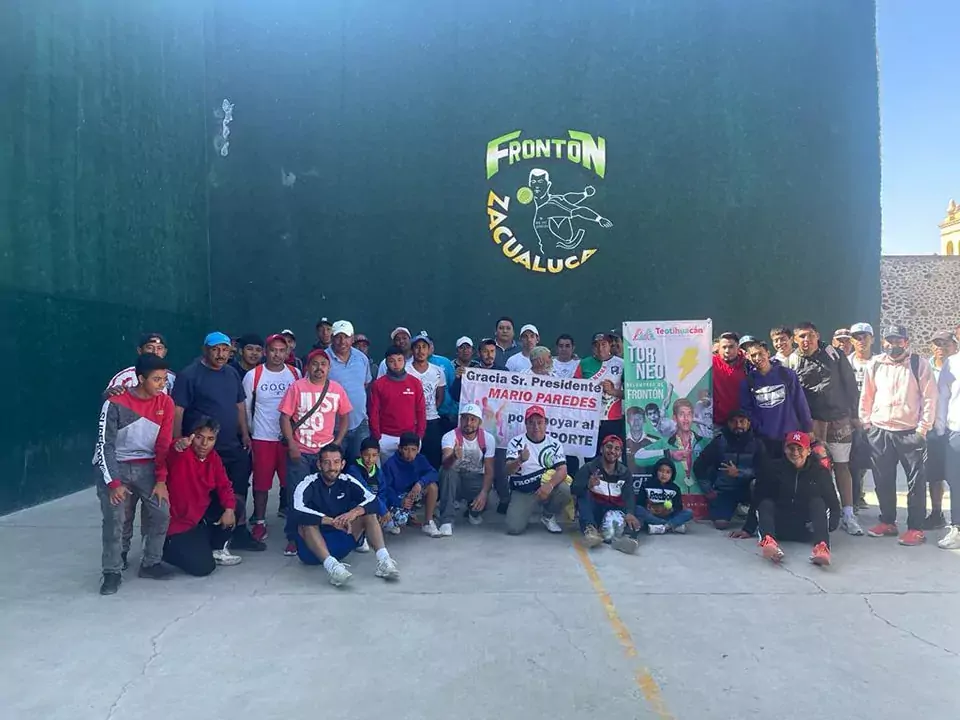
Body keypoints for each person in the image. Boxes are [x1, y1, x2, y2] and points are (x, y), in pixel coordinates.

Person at [172, 332, 262, 550]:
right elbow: (178, 410)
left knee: (238, 488)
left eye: (225, 350)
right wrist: (177, 439)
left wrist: (244, 434)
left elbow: (239, 405)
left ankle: (238, 532)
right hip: (204, 449)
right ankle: (208, 536)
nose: (221, 354)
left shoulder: (231, 374)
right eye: (215, 349)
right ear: (205, 350)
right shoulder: (189, 375)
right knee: (207, 493)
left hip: (233, 445)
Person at [94, 354, 174, 594]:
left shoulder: (166, 403)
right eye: (157, 379)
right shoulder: (115, 402)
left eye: (164, 379)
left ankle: (151, 562)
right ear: (141, 379)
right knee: (116, 520)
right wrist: (114, 483)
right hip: (115, 466)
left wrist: (161, 480)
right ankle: (112, 571)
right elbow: (104, 445)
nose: (162, 385)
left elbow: (163, 444)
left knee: (161, 512)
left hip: (147, 467)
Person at [860, 325, 937, 546]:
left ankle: (915, 528)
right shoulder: (875, 364)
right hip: (880, 430)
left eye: (898, 341)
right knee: (882, 479)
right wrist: (867, 424)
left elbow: (930, 398)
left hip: (909, 432)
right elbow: (866, 395)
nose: (893, 345)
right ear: (883, 342)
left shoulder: (918, 364)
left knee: (915, 482)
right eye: (889, 341)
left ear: (906, 342)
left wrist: (923, 429)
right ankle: (887, 522)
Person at [786, 321, 862, 536]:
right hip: (811, 425)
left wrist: (854, 415)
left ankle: (848, 514)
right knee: (816, 468)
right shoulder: (792, 360)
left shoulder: (835, 355)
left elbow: (850, 385)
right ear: (795, 339)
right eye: (801, 336)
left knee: (842, 466)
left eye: (809, 335)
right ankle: (820, 512)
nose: (806, 340)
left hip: (839, 420)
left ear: (817, 335)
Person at [289, 443, 400, 586]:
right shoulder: (308, 483)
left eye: (336, 462)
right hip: (312, 550)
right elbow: (296, 510)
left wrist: (353, 513)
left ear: (343, 464)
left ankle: (384, 561)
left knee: (368, 513)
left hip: (342, 539)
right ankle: (333, 568)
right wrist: (329, 521)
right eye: (327, 462)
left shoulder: (347, 480)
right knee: (306, 523)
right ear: (319, 464)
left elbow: (373, 500)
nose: (332, 467)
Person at [279, 349, 353, 555]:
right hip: (301, 451)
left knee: (322, 494)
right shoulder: (297, 387)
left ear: (329, 368)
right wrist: (291, 445)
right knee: (297, 495)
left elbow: (346, 416)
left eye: (323, 364)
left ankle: (321, 531)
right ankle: (293, 536)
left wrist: (337, 443)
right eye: (315, 364)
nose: (319, 368)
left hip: (325, 453)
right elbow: (284, 417)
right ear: (308, 367)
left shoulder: (337, 389)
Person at [739, 431, 841, 567]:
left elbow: (832, 501)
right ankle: (769, 543)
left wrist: (831, 525)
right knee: (766, 503)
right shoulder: (772, 468)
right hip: (779, 526)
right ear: (785, 449)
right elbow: (758, 499)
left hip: (806, 528)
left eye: (800, 449)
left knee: (818, 502)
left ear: (809, 451)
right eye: (791, 448)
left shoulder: (820, 472)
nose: (795, 452)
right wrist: (748, 528)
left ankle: (821, 548)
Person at [163, 418, 243, 576]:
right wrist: (179, 445)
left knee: (234, 506)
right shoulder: (182, 453)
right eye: (199, 437)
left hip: (199, 517)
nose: (204, 444)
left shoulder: (213, 457)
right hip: (178, 523)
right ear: (191, 436)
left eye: (210, 439)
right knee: (204, 568)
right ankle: (162, 548)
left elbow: (224, 485)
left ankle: (216, 548)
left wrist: (229, 510)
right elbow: (173, 450)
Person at [242, 334, 301, 542]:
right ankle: (259, 522)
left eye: (281, 350)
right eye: (273, 350)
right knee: (261, 484)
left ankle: (295, 525)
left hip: (288, 440)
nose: (277, 354)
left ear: (287, 352)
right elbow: (246, 408)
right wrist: (250, 432)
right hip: (262, 439)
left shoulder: (295, 373)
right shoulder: (254, 375)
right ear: (266, 352)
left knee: (292, 483)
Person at [504, 405, 571, 535]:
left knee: (564, 490)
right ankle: (525, 511)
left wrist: (549, 485)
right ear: (525, 424)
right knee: (513, 528)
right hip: (523, 490)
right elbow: (507, 471)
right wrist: (519, 460)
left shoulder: (555, 444)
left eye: (539, 422)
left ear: (546, 423)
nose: (536, 427)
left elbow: (562, 470)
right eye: (531, 423)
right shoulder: (516, 442)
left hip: (544, 487)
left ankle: (548, 516)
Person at [693, 410, 766, 529]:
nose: (738, 425)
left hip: (747, 489)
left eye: (742, 421)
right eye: (734, 422)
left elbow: (763, 471)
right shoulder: (719, 442)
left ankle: (748, 509)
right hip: (725, 490)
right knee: (721, 524)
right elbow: (699, 465)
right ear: (728, 424)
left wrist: (739, 473)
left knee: (757, 485)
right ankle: (732, 509)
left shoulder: (757, 443)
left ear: (748, 423)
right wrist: (708, 490)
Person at [740, 341, 813, 456]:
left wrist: (807, 428)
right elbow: (747, 410)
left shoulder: (786, 374)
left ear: (768, 353)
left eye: (760, 353)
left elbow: (800, 402)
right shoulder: (748, 382)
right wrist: (759, 427)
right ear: (748, 357)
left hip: (790, 436)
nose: (757, 358)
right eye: (753, 355)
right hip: (763, 439)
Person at [571, 435, 640, 552]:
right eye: (609, 447)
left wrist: (629, 513)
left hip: (613, 511)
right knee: (584, 495)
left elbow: (629, 496)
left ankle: (625, 539)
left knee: (637, 511)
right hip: (594, 512)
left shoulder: (625, 472)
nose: (612, 451)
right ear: (601, 449)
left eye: (617, 449)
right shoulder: (589, 467)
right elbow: (574, 489)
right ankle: (591, 531)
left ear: (620, 453)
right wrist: (588, 484)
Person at [438, 403, 497, 534]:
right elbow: (445, 464)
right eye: (465, 418)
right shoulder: (449, 436)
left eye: (472, 419)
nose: (468, 423)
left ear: (479, 422)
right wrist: (453, 456)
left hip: (475, 479)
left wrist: (484, 494)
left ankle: (473, 512)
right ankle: (446, 520)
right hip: (456, 479)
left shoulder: (488, 439)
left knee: (486, 496)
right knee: (447, 472)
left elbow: (489, 470)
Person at [368, 346, 426, 462]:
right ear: (386, 363)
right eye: (392, 361)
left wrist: (419, 436)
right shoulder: (378, 384)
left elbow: (421, 411)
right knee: (386, 474)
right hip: (385, 438)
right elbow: (373, 412)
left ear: (404, 361)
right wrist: (377, 437)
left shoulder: (415, 383)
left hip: (410, 438)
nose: (396, 364)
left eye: (399, 360)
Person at [326, 320, 372, 463]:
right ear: (332, 338)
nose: (342, 341)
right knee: (332, 470)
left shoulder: (362, 358)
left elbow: (364, 384)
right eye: (338, 336)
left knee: (360, 468)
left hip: (360, 424)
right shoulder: (322, 359)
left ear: (352, 338)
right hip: (332, 427)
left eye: (346, 337)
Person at [380, 432, 441, 537]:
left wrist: (420, 483)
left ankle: (428, 522)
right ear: (399, 448)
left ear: (418, 450)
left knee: (432, 487)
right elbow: (386, 489)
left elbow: (433, 473)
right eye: (406, 449)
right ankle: (394, 522)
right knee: (400, 521)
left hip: (413, 494)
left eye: (413, 450)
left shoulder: (420, 459)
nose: (410, 454)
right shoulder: (390, 464)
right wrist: (400, 501)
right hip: (397, 499)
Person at [925, 330, 957, 529]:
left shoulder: (956, 367)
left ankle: (957, 518)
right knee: (934, 474)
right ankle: (937, 513)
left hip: (954, 428)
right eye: (937, 344)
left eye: (946, 344)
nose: (941, 348)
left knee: (955, 476)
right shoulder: (923, 368)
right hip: (932, 429)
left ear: (954, 346)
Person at [575, 332, 625, 448]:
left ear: (609, 345)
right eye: (596, 345)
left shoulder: (621, 364)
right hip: (589, 419)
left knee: (612, 454)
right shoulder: (584, 363)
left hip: (612, 418)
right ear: (592, 347)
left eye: (603, 344)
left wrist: (613, 391)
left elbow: (631, 394)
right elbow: (574, 389)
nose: (600, 348)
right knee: (591, 455)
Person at [405, 333, 446, 468]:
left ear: (429, 350)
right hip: (410, 421)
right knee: (410, 457)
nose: (420, 350)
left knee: (432, 456)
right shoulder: (405, 369)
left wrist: (430, 408)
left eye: (424, 347)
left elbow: (440, 396)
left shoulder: (438, 371)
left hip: (431, 420)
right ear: (412, 350)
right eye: (417, 347)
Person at [848, 322, 875, 509]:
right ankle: (853, 501)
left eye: (865, 336)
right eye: (857, 337)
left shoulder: (881, 361)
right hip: (850, 419)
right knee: (852, 463)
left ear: (872, 339)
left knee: (873, 463)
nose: (861, 340)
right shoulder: (845, 363)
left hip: (875, 420)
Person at [936, 347, 960, 548]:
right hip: (956, 430)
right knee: (956, 481)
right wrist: (941, 428)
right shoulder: (952, 363)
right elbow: (943, 397)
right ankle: (958, 529)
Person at [104, 332, 177, 395]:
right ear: (140, 351)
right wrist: (109, 393)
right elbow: (107, 398)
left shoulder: (172, 378)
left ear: (165, 352)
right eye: (150, 348)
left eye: (159, 348)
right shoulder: (126, 376)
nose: (155, 352)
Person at [636, 458, 694, 534]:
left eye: (668, 472)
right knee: (637, 509)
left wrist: (669, 510)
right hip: (651, 516)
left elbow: (678, 507)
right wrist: (649, 507)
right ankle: (671, 526)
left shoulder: (675, 488)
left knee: (689, 512)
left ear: (672, 474)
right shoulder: (646, 485)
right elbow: (640, 503)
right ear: (656, 471)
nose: (664, 475)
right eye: (661, 471)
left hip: (668, 516)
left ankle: (662, 527)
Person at [664, 399, 706, 495]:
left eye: (689, 414)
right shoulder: (666, 443)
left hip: (700, 497)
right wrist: (668, 453)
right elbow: (639, 457)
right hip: (674, 496)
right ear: (674, 418)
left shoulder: (704, 442)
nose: (686, 419)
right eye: (682, 414)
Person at [712, 332, 747, 427]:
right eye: (724, 347)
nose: (727, 351)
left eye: (731, 347)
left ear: (738, 347)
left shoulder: (748, 363)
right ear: (718, 349)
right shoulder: (710, 363)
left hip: (742, 423)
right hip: (717, 423)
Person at [625, 406, 663, 472]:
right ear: (627, 421)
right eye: (632, 419)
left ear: (644, 420)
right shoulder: (622, 441)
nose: (636, 422)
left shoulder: (655, 441)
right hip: (628, 480)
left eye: (639, 419)